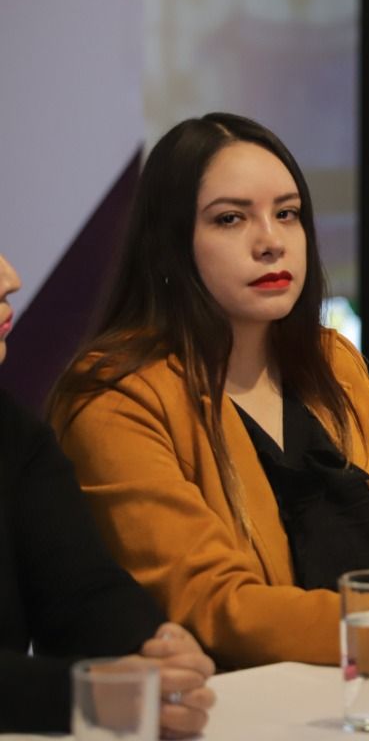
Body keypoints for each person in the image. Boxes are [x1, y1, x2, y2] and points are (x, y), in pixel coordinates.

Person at [50, 114, 369, 671]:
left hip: (368, 681)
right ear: (170, 245)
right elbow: (211, 604)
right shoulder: (114, 396)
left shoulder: (332, 361)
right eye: (230, 219)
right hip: (228, 699)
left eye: (287, 213)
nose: (271, 242)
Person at [0, 252, 215, 736]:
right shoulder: (116, 394)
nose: (11, 279)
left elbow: (80, 591)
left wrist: (154, 650)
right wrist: (83, 695)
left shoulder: (12, 431)